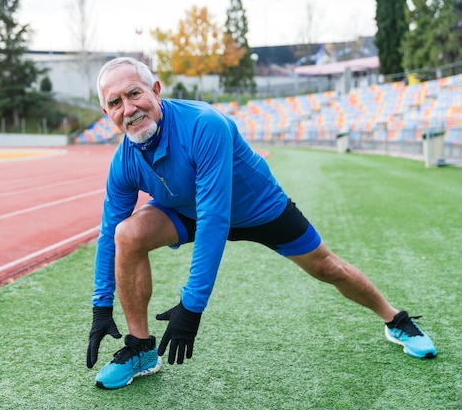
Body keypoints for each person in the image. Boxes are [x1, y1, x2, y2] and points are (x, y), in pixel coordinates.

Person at [86, 57, 437, 390]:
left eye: (134, 93)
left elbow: (215, 217)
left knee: (328, 268)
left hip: (257, 208)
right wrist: (101, 306)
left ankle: (395, 320)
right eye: (115, 102)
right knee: (125, 234)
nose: (128, 109)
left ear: (156, 91)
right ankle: (142, 349)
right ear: (107, 113)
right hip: (189, 212)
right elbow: (107, 234)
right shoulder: (124, 162)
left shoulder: (204, 124)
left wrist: (192, 306)